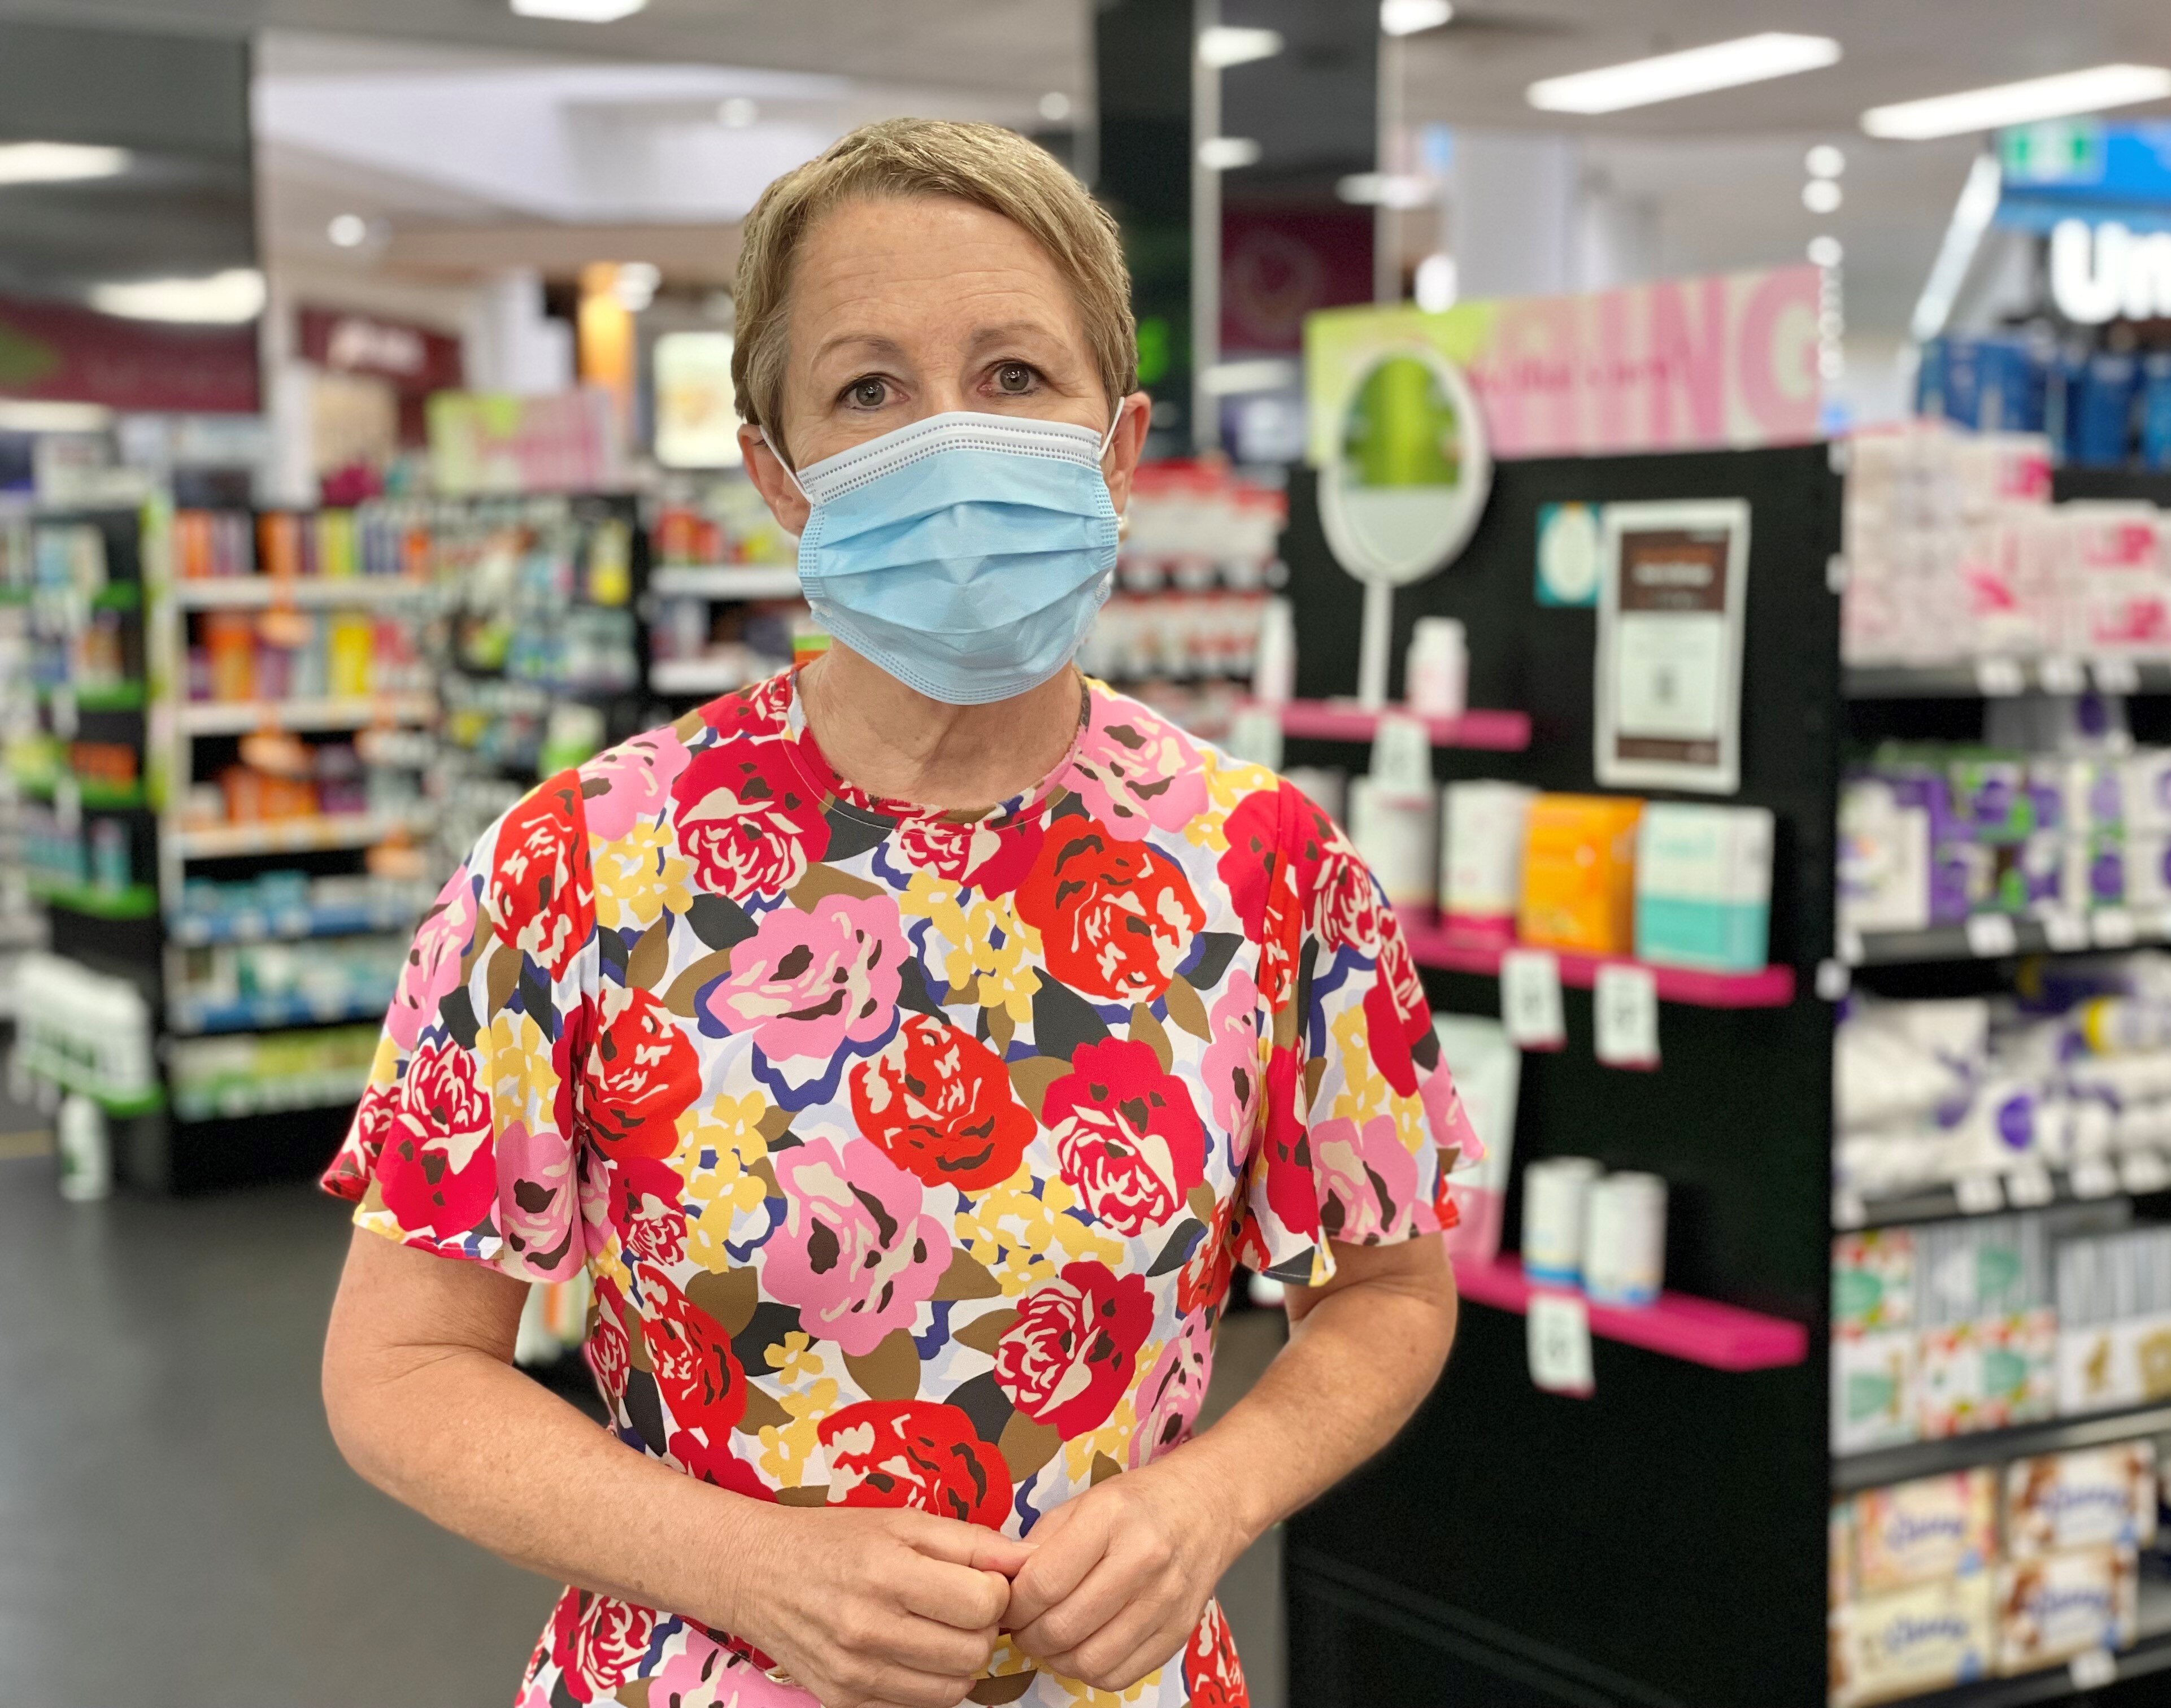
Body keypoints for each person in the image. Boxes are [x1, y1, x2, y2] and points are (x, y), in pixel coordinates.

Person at [321, 117, 1478, 1708]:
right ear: (777, 477)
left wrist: (1211, 1496)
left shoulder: (1266, 863)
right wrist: (743, 1566)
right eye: (869, 388)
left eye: (1016, 375)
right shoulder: (577, 866)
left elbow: (1389, 1285)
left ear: (1120, 444)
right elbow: (399, 1366)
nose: (951, 443)